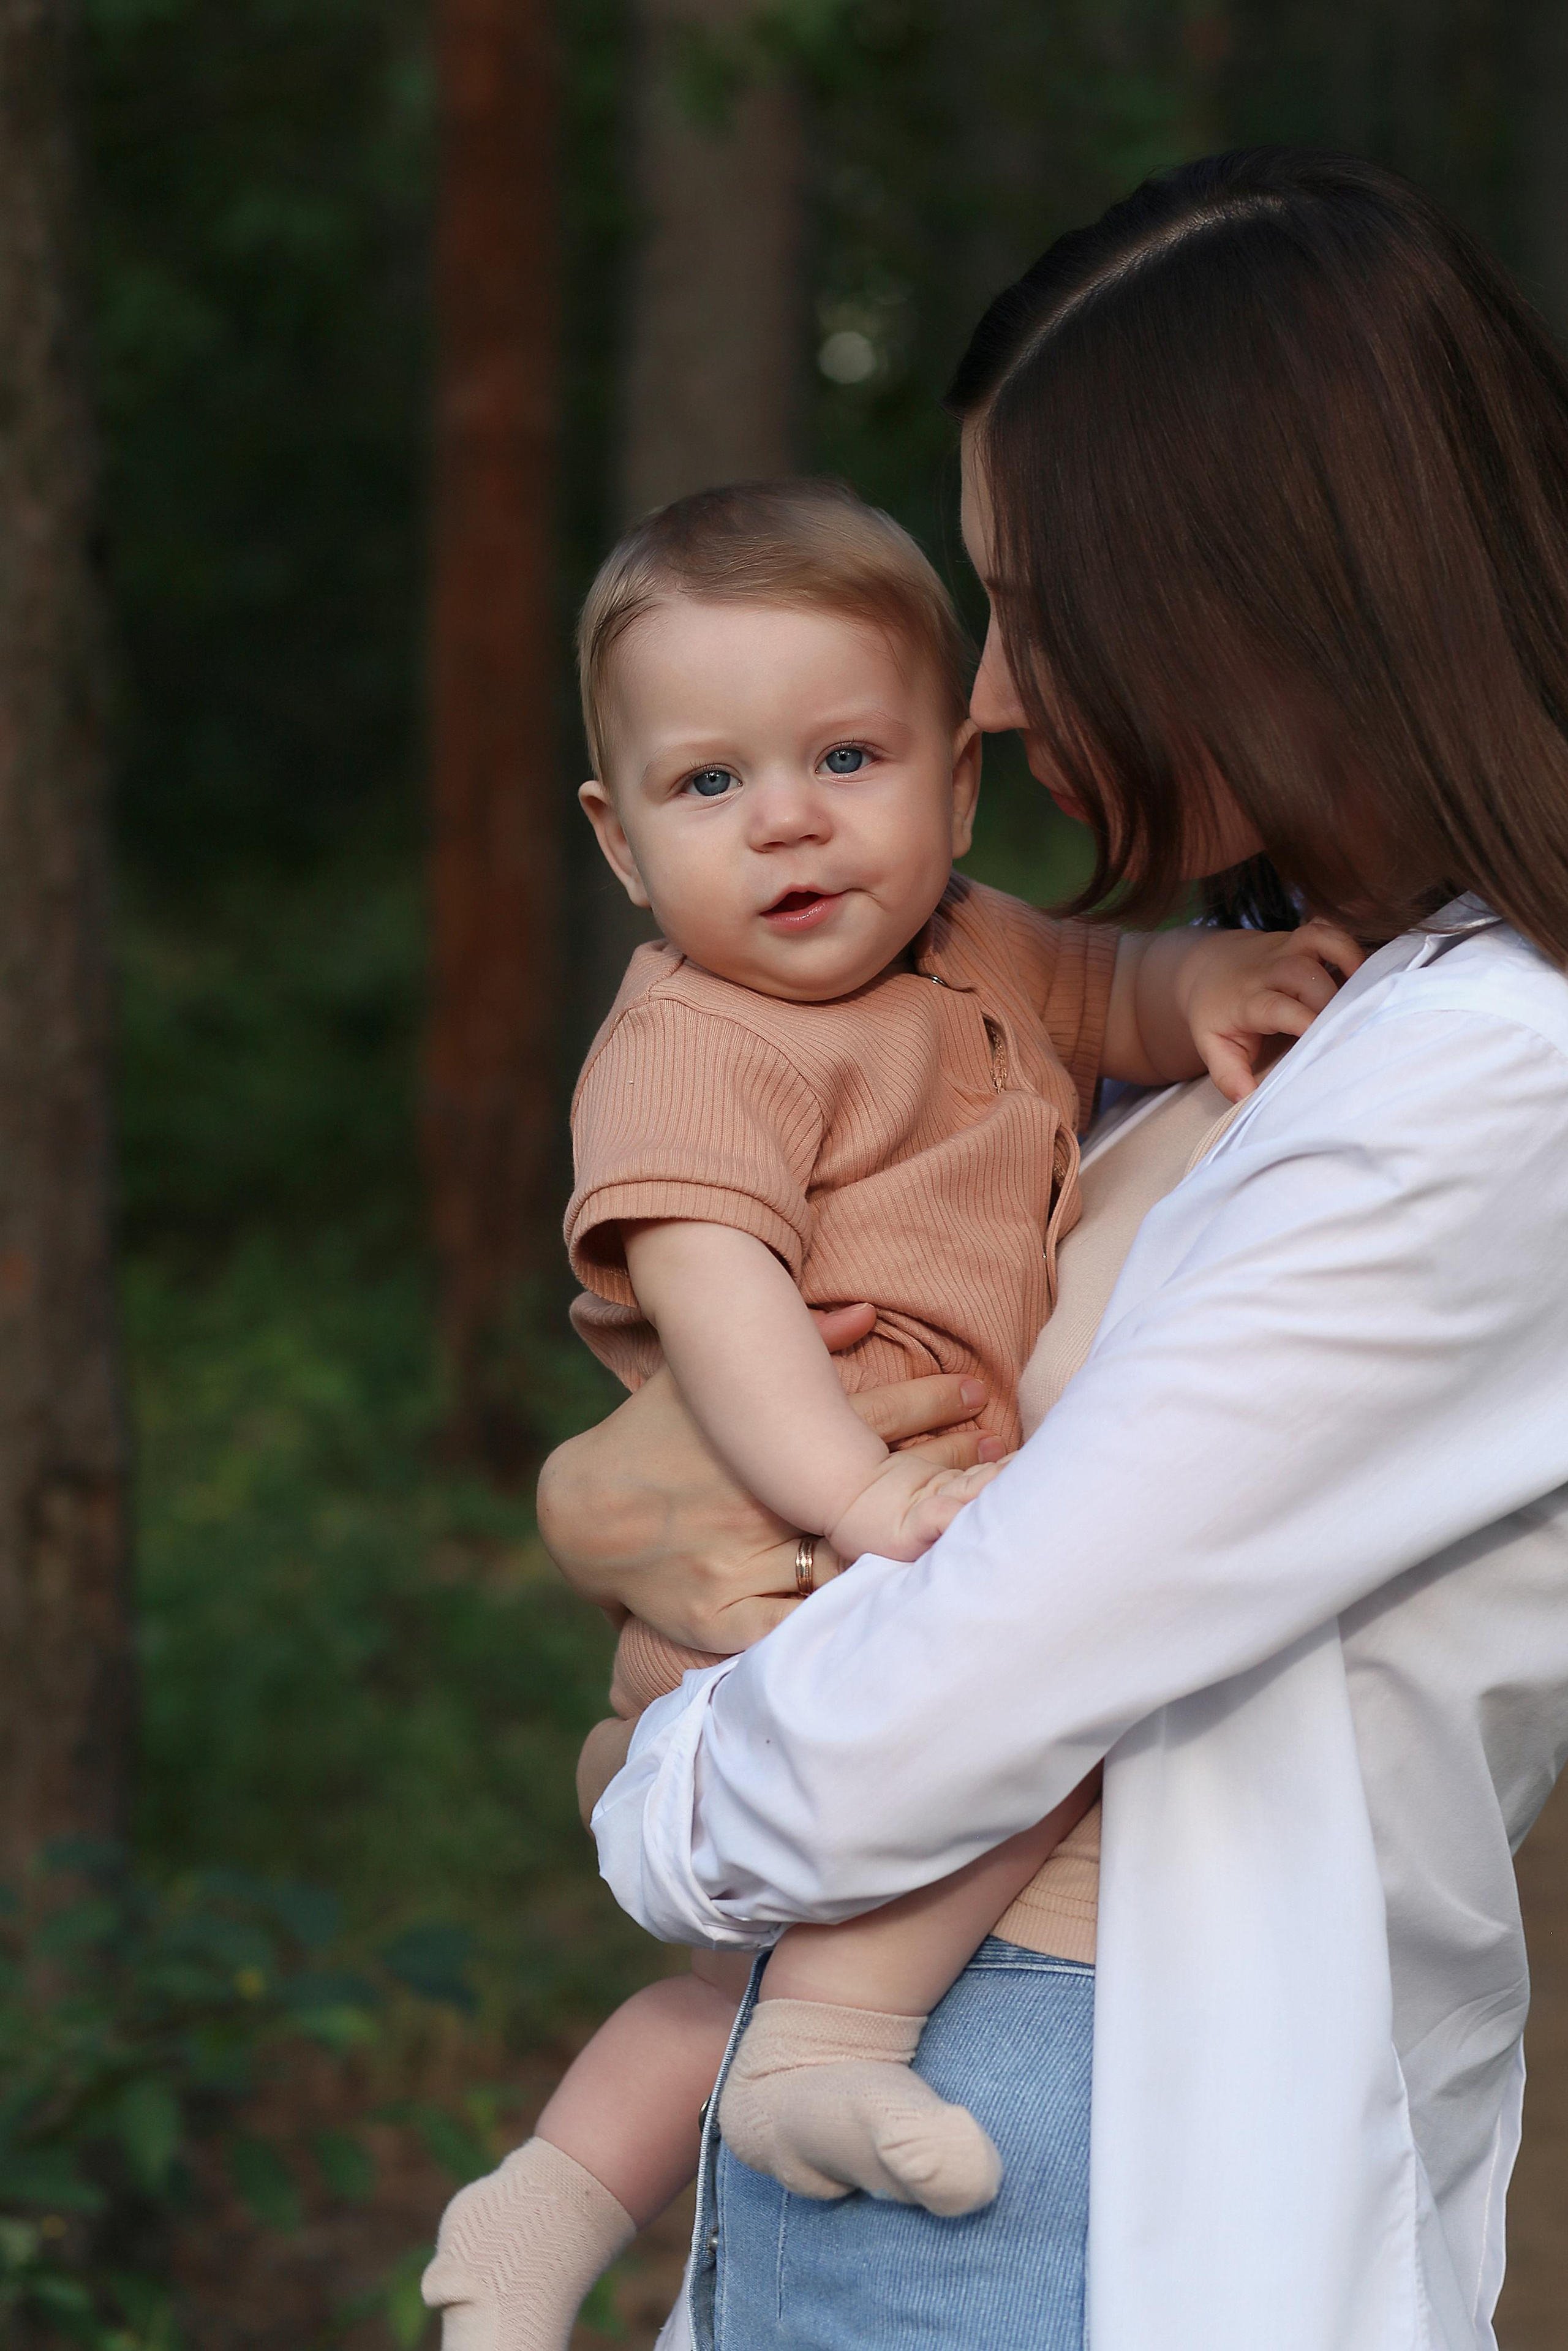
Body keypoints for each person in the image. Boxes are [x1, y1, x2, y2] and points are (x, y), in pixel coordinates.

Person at [540, 149, 1568, 2351]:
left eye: (1034, 601)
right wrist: (617, 1495)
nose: (993, 697)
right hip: (918, 2158)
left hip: (1095, 2208)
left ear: (1247, 598)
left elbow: (950, 1701)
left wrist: (661, 1786)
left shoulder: (1498, 1082)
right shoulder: (1284, 1002)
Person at [420, 476, 1358, 2351]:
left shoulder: (987, 948)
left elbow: (1123, 987)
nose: (786, 821)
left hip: (881, 1534)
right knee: (1022, 1742)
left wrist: (1221, 982)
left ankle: (532, 2213)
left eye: (846, 757)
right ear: (618, 840)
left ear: (955, 786)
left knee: (786, 1941)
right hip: (793, 1552)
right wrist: (859, 1492)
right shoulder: (696, 1038)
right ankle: (753, 2091)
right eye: (709, 786)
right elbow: (723, 1301)